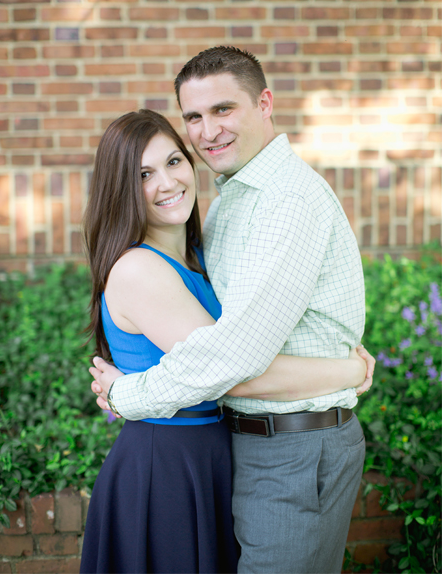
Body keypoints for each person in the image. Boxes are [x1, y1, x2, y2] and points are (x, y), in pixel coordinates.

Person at [90, 47, 368, 573]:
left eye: (223, 109)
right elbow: (234, 364)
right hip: (189, 461)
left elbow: (232, 359)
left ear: (264, 104)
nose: (208, 130)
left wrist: (130, 394)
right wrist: (348, 371)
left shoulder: (282, 202)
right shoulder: (223, 211)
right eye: (194, 116)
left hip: (288, 446)